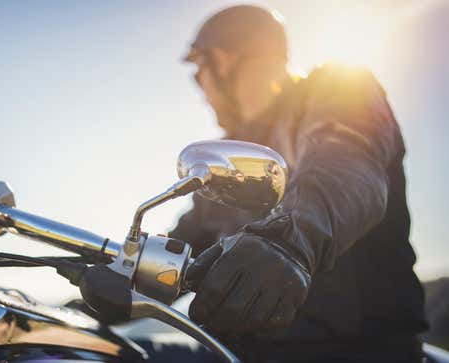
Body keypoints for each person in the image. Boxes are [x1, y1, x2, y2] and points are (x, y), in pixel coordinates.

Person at [169, 5, 427, 362]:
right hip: (237, 351)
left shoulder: (339, 88)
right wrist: (114, 278)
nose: (200, 89)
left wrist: (288, 239)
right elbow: (181, 246)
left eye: (199, 73)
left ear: (224, 60)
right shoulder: (234, 154)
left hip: (353, 351)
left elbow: (346, 164)